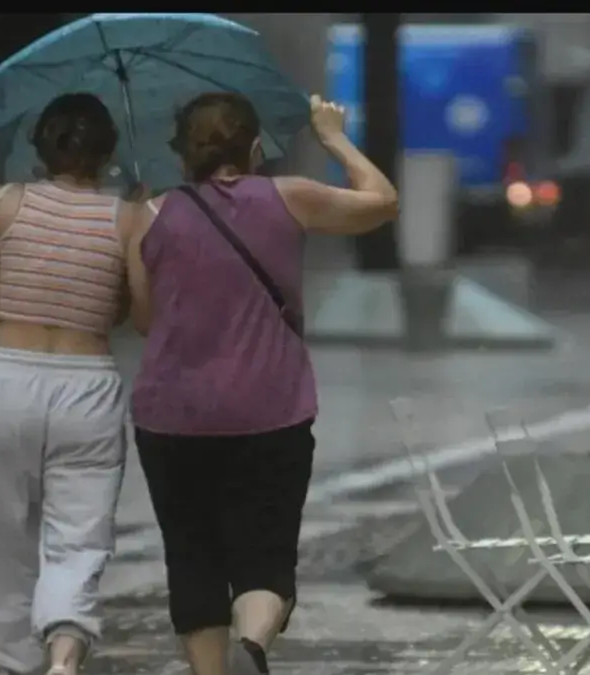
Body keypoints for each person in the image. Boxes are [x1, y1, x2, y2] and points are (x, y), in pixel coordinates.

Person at [124, 92, 398, 675]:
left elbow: (145, 320)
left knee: (192, 557)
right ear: (253, 148)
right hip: (270, 412)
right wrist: (332, 137)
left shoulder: (148, 216)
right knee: (265, 558)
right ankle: (253, 647)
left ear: (182, 156)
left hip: (172, 417)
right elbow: (382, 202)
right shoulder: (289, 197)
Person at [0, 92, 136, 675]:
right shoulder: (127, 216)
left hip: (9, 379)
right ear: (108, 152)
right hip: (87, 387)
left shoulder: (0, 206)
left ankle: (12, 663)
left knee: (2, 529)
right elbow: (135, 314)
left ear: (40, 145)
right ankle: (64, 658)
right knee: (80, 535)